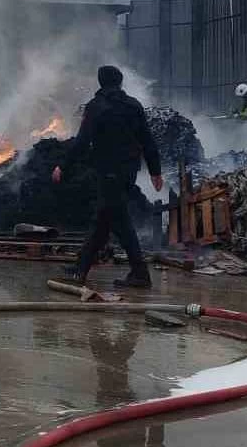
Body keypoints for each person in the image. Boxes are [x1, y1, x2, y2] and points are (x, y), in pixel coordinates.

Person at [51, 65, 163, 289]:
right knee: (104, 219)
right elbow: (147, 141)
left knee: (119, 220)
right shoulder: (134, 105)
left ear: (100, 82)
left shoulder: (96, 106)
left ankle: (139, 274)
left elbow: (82, 142)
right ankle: (81, 268)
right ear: (120, 82)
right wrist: (155, 171)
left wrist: (63, 166)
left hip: (108, 170)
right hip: (129, 172)